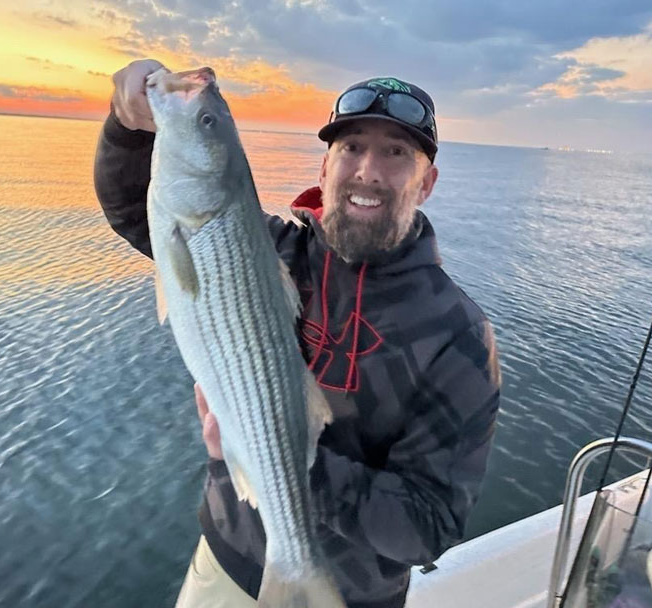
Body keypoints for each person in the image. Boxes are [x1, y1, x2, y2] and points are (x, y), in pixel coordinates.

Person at [94, 59, 501, 608]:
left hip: (352, 594)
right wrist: (127, 124)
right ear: (326, 164)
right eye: (352, 147)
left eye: (396, 153)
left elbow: (427, 526)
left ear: (426, 183)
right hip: (226, 559)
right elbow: (131, 208)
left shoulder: (458, 334)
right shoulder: (263, 248)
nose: (368, 171)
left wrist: (278, 454)